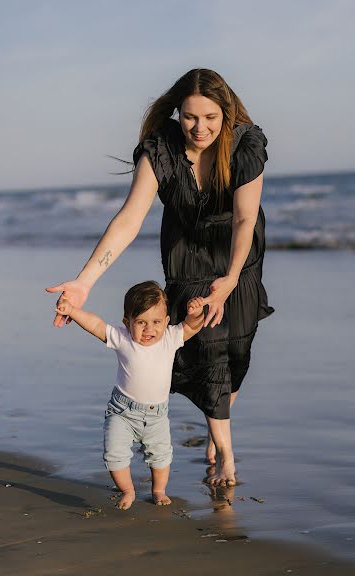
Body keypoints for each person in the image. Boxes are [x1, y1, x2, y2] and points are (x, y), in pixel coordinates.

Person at [46, 68, 274, 488]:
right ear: (178, 113)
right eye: (190, 117)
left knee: (236, 353)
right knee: (207, 345)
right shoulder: (161, 150)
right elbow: (129, 219)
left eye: (210, 117)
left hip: (237, 256)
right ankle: (226, 452)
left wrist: (230, 277)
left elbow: (245, 219)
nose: (199, 128)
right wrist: (85, 280)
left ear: (225, 114)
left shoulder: (246, 145)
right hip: (186, 254)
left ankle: (217, 418)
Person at [54, 280, 205, 510]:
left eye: (156, 322)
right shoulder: (122, 338)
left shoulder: (170, 338)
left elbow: (192, 327)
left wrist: (196, 314)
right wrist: (72, 311)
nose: (149, 329)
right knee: (114, 456)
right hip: (122, 412)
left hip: (156, 415)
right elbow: (96, 325)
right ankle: (128, 490)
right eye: (141, 322)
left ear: (166, 322)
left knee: (161, 456)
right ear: (128, 322)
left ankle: (158, 490)